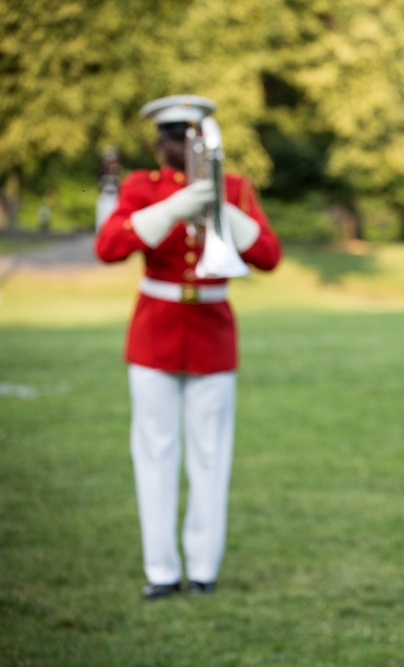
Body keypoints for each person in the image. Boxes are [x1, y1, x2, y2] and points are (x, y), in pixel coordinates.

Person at [95, 95, 282, 599]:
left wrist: (221, 206)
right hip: (155, 330)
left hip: (212, 332)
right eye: (177, 138)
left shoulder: (236, 187)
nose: (184, 146)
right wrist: (174, 208)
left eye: (193, 137)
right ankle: (160, 569)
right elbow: (109, 246)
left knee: (210, 453)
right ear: (161, 143)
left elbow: (268, 255)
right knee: (154, 452)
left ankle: (203, 566)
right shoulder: (141, 187)